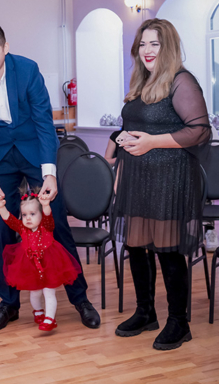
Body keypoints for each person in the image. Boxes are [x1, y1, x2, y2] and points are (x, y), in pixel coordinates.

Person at [0, 22, 100, 332]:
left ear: (5, 48)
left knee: (56, 223)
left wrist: (49, 174)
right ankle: (8, 304)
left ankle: (79, 298)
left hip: (34, 151)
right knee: (2, 229)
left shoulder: (27, 70)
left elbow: (43, 123)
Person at [112, 19, 211, 351]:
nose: (147, 50)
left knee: (167, 251)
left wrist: (153, 141)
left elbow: (200, 130)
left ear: (167, 46)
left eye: (154, 43)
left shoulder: (181, 81)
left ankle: (179, 323)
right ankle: (146, 313)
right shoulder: (142, 82)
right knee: (135, 247)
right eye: (142, 44)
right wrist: (121, 164)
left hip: (170, 180)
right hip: (136, 178)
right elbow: (132, 129)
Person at [0, 187, 82, 331]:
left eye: (33, 214)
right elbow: (9, 219)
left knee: (49, 292)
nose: (28, 218)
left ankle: (50, 319)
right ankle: (38, 312)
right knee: (34, 292)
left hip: (49, 263)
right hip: (30, 265)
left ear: (41, 214)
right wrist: (1, 207)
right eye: (24, 215)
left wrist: (46, 205)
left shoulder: (46, 226)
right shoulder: (22, 228)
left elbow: (48, 216)